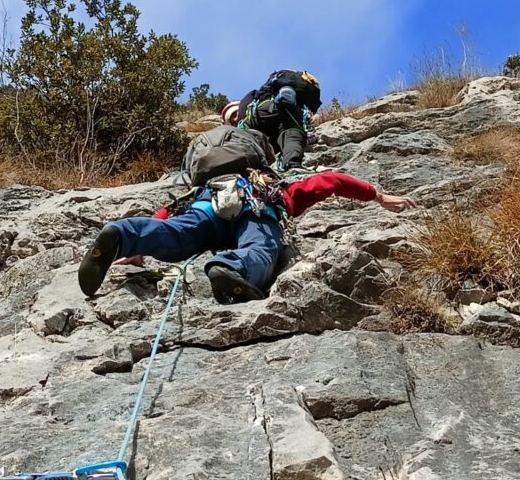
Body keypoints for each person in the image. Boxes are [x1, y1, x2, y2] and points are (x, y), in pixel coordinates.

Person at [79, 170, 414, 304]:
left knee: (176, 235)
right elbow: (329, 181)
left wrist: (138, 250)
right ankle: (230, 269)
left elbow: (170, 212)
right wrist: (377, 197)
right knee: (260, 247)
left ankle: (123, 234)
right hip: (257, 209)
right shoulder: (279, 188)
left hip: (206, 209)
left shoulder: (205, 187)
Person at [235, 70, 322, 170]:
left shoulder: (258, 93)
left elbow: (244, 108)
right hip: (287, 110)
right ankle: (292, 166)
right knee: (292, 133)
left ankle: (241, 165)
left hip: (261, 113)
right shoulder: (300, 97)